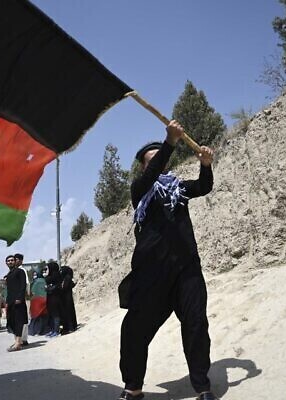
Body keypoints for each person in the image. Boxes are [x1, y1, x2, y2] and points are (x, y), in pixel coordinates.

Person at [117, 121, 216, 400]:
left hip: (186, 271)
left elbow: (203, 186)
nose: (157, 164)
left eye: (160, 159)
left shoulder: (178, 190)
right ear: (143, 168)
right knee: (134, 330)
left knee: (196, 325)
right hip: (151, 275)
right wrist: (170, 142)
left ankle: (203, 388)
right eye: (151, 161)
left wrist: (205, 165)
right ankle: (133, 387)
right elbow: (151, 175)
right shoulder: (139, 190)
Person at [4, 255, 27, 351]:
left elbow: (23, 285)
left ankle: (18, 343)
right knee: (12, 321)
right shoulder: (8, 275)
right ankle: (18, 341)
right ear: (6, 263)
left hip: (18, 301)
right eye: (8, 261)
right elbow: (9, 290)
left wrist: (20, 298)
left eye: (12, 260)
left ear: (15, 261)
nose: (10, 262)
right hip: (10, 302)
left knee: (18, 321)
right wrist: (7, 302)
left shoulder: (20, 271)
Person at [13, 253, 29, 345]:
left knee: (23, 318)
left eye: (17, 259)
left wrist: (23, 296)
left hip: (21, 298)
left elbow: (26, 284)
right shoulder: (14, 270)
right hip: (15, 298)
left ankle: (23, 339)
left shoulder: (22, 270)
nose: (15, 261)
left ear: (21, 261)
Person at [44, 261, 62, 338]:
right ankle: (53, 330)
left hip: (55, 299)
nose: (46, 270)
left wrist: (48, 288)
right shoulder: (51, 276)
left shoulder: (56, 276)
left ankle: (56, 331)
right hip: (51, 298)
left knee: (55, 315)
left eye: (48, 268)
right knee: (51, 315)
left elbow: (55, 287)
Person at [28, 271, 48, 336]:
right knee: (43, 317)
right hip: (45, 300)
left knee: (35, 317)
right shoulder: (45, 281)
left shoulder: (34, 282)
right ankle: (43, 331)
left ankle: (34, 331)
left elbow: (31, 292)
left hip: (35, 301)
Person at [60, 265, 78, 334]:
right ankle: (72, 326)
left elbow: (65, 287)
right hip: (67, 298)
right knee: (69, 312)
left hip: (67, 298)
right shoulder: (66, 277)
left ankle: (70, 328)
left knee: (68, 313)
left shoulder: (67, 278)